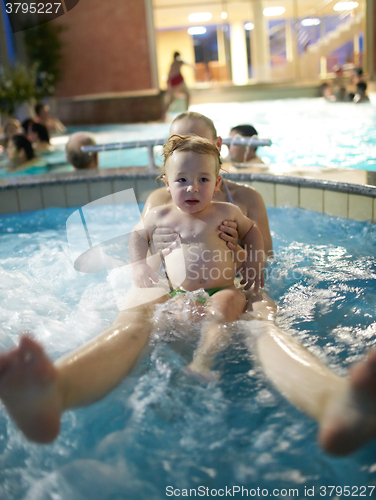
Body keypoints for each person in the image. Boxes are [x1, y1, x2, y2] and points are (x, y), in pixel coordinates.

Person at [131, 134, 264, 373]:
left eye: (203, 179)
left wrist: (254, 259)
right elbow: (137, 235)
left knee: (222, 312)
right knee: (169, 321)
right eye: (181, 180)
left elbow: (252, 230)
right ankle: (172, 363)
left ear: (216, 183)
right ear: (167, 184)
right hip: (182, 293)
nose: (192, 187)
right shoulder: (160, 215)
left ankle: (203, 361)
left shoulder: (227, 212)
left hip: (223, 289)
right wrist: (139, 266)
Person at [143, 112, 273, 260]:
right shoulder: (158, 202)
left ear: (217, 145)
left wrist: (236, 247)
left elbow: (265, 263)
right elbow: (137, 266)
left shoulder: (247, 199)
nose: (189, 153)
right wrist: (154, 246)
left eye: (199, 145)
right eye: (178, 145)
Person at [162, 52, 195, 121]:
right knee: (172, 99)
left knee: (174, 98)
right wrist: (194, 69)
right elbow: (187, 63)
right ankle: (164, 115)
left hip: (174, 80)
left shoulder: (174, 63)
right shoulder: (177, 61)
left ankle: (186, 112)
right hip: (174, 80)